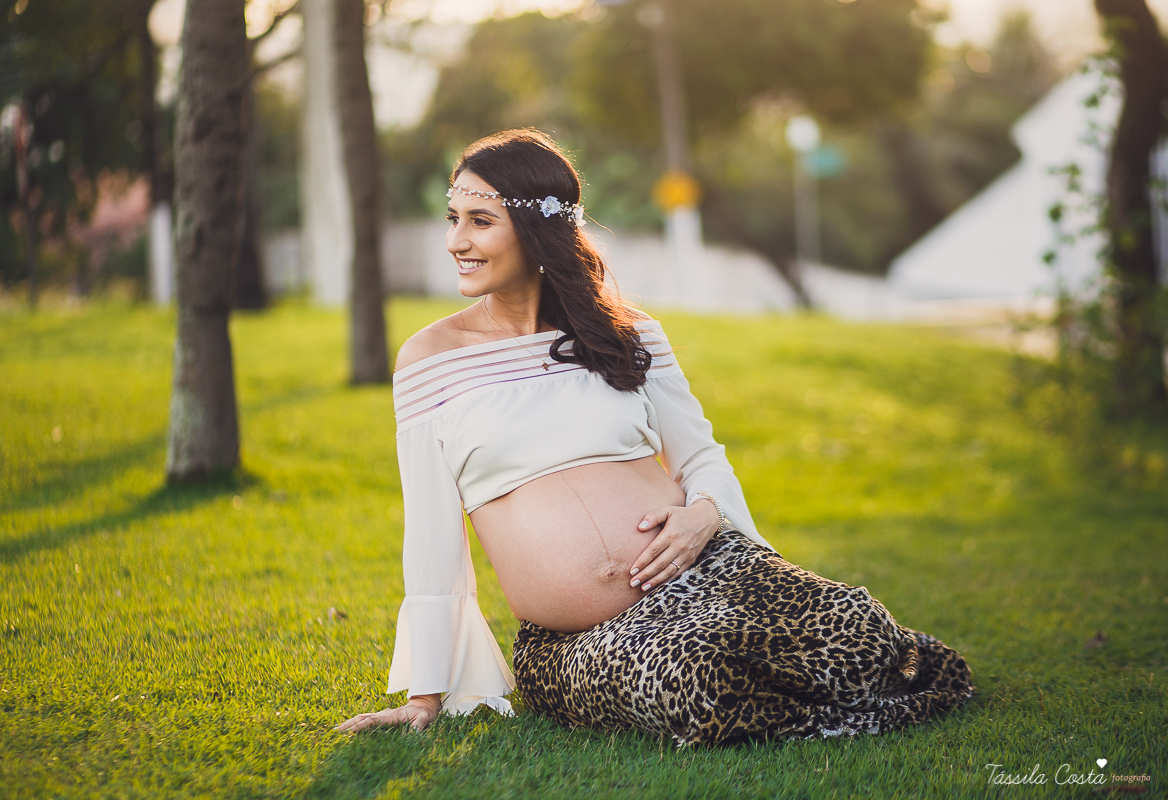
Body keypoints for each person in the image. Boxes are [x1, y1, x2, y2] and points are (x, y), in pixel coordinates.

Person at [337, 130, 973, 745]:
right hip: (574, 641)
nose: (456, 241)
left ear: (537, 230)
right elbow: (430, 531)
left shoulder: (625, 334)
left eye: (480, 220)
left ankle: (843, 686)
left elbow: (700, 456)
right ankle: (839, 706)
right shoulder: (430, 359)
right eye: (453, 218)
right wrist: (426, 691)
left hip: (708, 569)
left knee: (858, 627)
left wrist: (704, 515)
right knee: (706, 677)